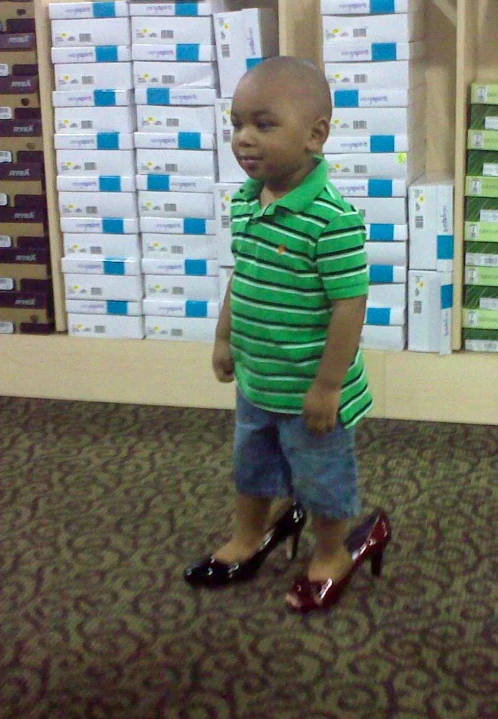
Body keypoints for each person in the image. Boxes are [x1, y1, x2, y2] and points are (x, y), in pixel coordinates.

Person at [184, 56, 391, 612]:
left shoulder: (332, 218)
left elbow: (350, 303)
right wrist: (225, 336)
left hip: (309, 390)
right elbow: (243, 275)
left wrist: (327, 385)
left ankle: (331, 551)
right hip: (258, 378)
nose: (244, 139)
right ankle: (248, 535)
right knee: (251, 467)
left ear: (316, 135)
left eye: (264, 124)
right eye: (236, 124)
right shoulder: (247, 203)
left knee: (322, 476)